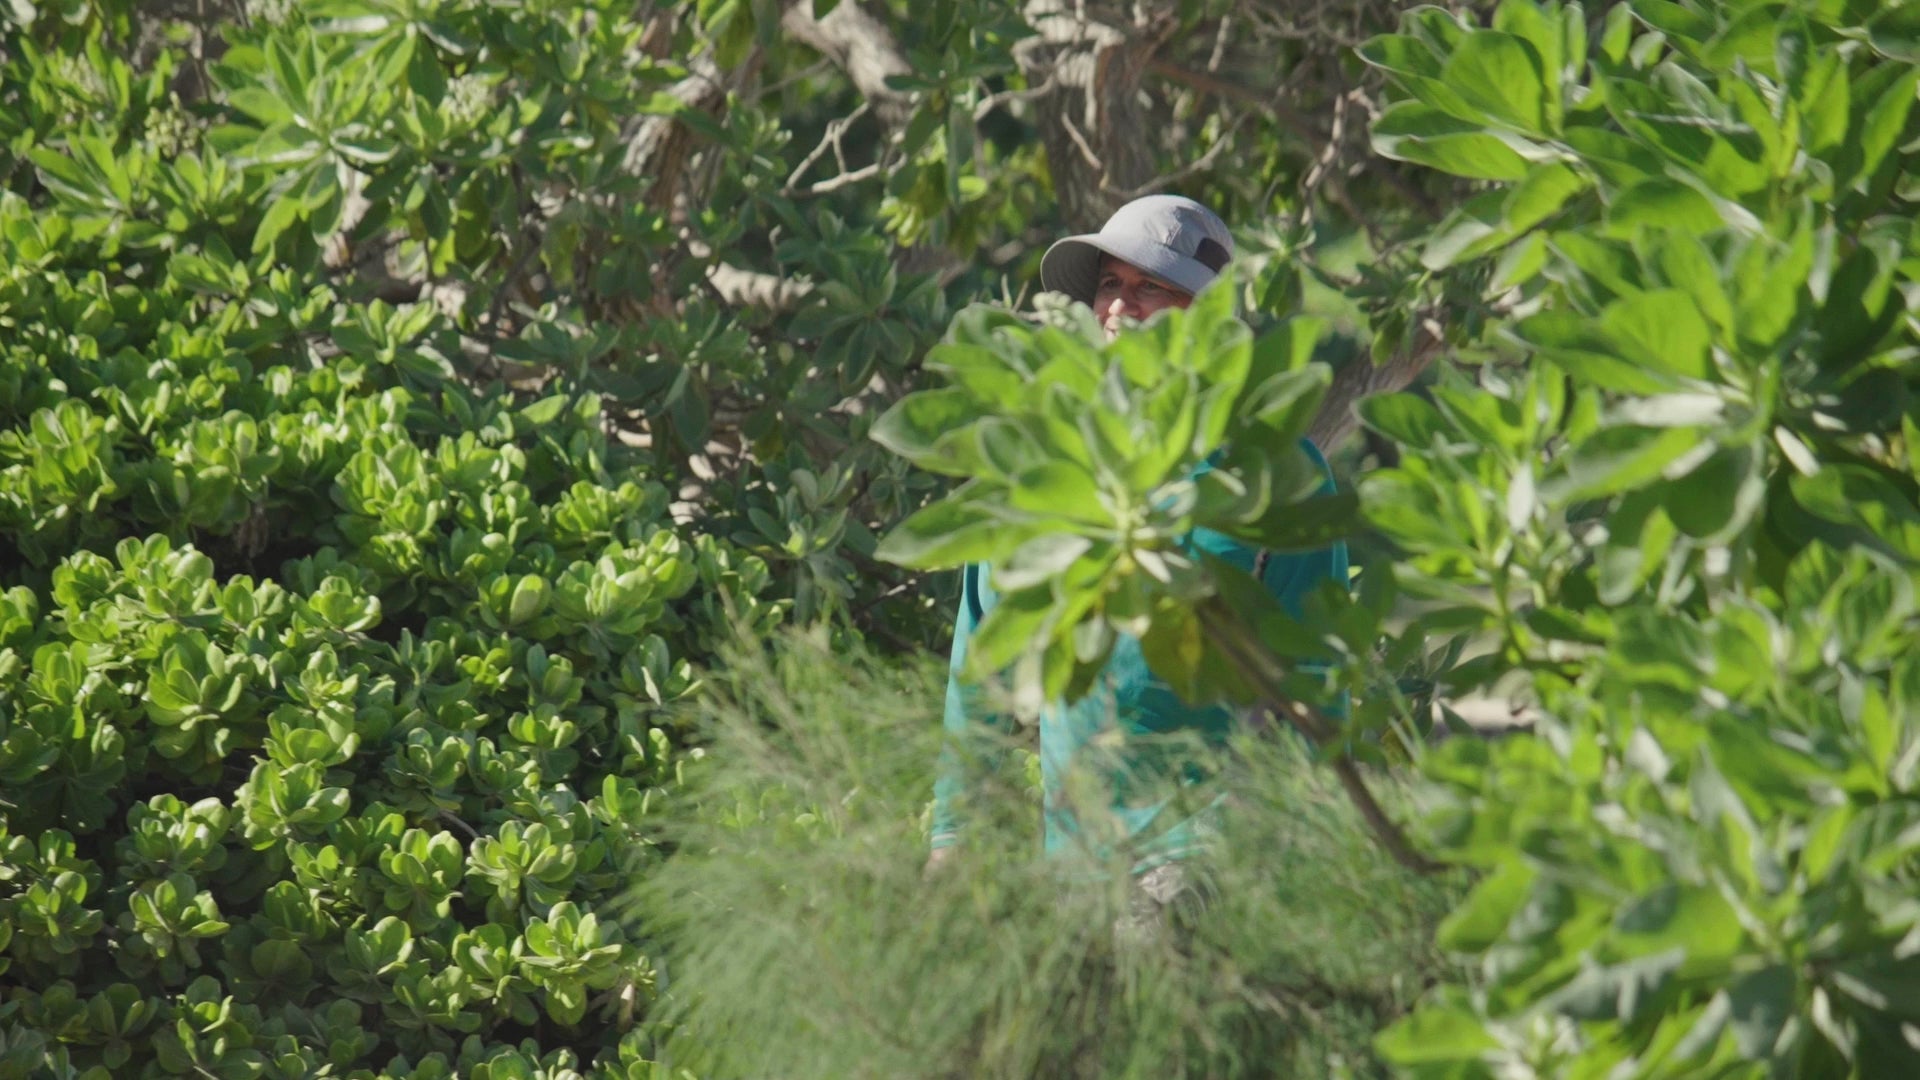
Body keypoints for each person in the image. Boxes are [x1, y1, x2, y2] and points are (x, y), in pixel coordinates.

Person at [924, 195, 1350, 930]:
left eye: (1153, 287)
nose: (1122, 307)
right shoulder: (1040, 456)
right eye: (1110, 285)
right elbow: (981, 665)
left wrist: (1308, 859)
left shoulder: (1275, 466)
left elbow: (1319, 679)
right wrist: (954, 832)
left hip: (1211, 854)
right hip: (1074, 861)